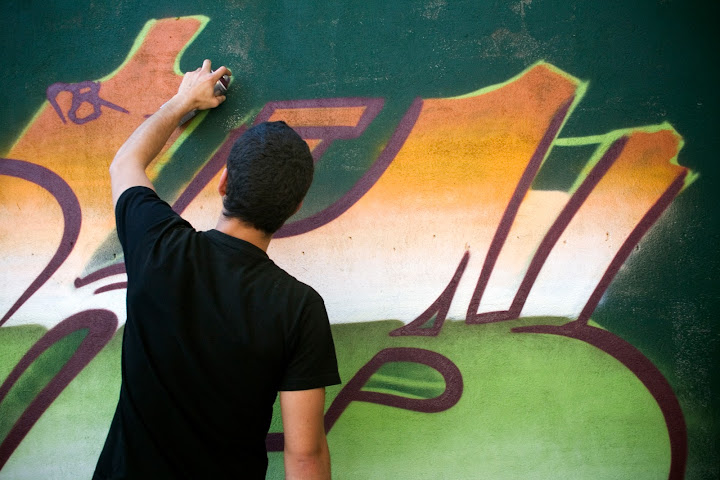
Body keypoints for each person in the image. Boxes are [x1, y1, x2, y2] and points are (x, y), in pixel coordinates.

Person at [93, 60, 341, 479]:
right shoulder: (300, 309)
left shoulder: (159, 245)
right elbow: (305, 456)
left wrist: (182, 102)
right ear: (295, 207)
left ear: (223, 182)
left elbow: (125, 163)